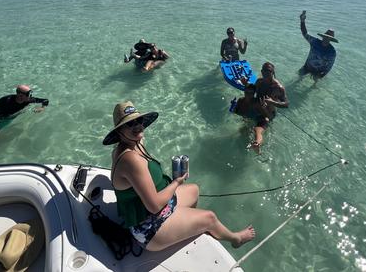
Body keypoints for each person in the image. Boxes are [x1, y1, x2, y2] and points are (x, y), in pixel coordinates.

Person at [104, 101, 255, 251]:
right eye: (130, 124)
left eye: (139, 120)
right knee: (210, 217)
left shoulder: (129, 145)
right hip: (148, 228)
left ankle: (186, 224)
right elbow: (155, 205)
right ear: (119, 132)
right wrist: (176, 182)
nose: (137, 126)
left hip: (150, 211)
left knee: (194, 190)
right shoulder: (131, 160)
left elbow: (139, 141)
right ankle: (236, 239)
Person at [246, 62, 289, 153]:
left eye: (268, 71)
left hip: (267, 114)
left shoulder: (278, 87)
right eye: (264, 71)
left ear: (273, 72)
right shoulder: (259, 82)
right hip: (256, 110)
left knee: (257, 130)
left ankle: (257, 144)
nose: (265, 73)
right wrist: (246, 84)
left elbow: (286, 104)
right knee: (244, 130)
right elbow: (251, 93)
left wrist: (272, 102)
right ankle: (254, 145)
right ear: (261, 71)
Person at [231, 84, 272, 153]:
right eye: (247, 92)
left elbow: (268, 116)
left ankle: (257, 144)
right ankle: (249, 148)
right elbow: (236, 112)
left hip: (261, 121)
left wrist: (264, 108)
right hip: (250, 120)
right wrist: (233, 106)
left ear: (254, 93)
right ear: (244, 91)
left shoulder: (257, 103)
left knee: (257, 131)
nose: (248, 95)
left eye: (251, 93)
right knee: (242, 132)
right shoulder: (240, 101)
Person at [299, 11, 338, 78]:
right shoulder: (315, 42)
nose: (326, 38)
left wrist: (322, 75)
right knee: (298, 75)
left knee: (314, 85)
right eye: (325, 36)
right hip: (307, 66)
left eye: (328, 38)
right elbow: (304, 33)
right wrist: (302, 21)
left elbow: (330, 65)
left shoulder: (332, 51)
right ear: (322, 36)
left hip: (318, 71)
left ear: (330, 40)